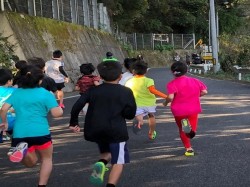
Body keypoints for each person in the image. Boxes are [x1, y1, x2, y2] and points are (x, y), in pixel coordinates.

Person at [69, 61, 136, 187]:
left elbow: (77, 105)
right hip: (116, 131)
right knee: (118, 162)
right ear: (120, 76)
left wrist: (74, 122)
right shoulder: (125, 92)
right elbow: (130, 114)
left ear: (100, 77)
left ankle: (101, 162)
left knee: (106, 151)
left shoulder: (93, 91)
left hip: (95, 129)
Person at [0, 65, 63, 187]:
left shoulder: (17, 93)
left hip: (19, 133)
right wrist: (58, 107)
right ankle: (41, 185)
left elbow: (4, 109)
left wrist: (5, 122)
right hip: (41, 132)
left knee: (31, 162)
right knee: (46, 159)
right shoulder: (45, 93)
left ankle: (22, 152)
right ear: (40, 80)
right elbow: (56, 113)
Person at [164, 61, 207, 156]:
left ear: (172, 72)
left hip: (179, 111)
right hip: (193, 108)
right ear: (186, 70)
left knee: (182, 129)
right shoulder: (195, 81)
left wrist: (166, 102)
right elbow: (204, 91)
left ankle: (188, 149)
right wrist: (195, 96)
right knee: (192, 130)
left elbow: (170, 97)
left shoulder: (172, 84)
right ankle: (190, 131)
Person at [125, 59, 168, 140]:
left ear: (133, 71)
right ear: (146, 71)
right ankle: (151, 133)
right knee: (151, 116)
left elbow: (127, 93)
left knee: (139, 117)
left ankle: (139, 123)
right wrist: (165, 96)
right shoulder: (148, 80)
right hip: (149, 103)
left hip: (137, 103)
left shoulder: (129, 82)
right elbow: (152, 90)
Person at [0, 68, 16, 142]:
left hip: (1, 123)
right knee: (17, 140)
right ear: (9, 81)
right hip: (14, 122)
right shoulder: (15, 91)